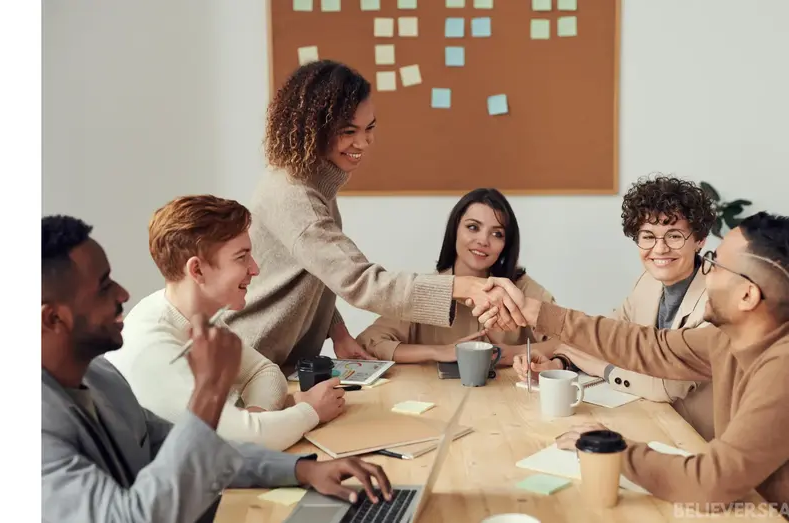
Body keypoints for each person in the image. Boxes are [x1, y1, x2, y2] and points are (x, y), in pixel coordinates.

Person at [477, 212, 789, 522]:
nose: (704, 271)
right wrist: (536, 313)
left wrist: (610, 449)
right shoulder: (730, 338)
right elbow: (648, 346)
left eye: (715, 264)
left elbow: (710, 483)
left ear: (747, 294)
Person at [41, 215, 393, 523]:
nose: (122, 293)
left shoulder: (101, 377)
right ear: (52, 317)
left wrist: (303, 470)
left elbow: (192, 448)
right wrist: (209, 391)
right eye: (103, 286)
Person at [225, 60, 524, 373]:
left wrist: (338, 332)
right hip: (248, 363)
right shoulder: (296, 196)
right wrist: (460, 287)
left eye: (369, 128)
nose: (363, 143)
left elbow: (319, 271)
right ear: (313, 129)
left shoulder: (313, 184)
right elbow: (360, 281)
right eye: (348, 131)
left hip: (274, 363)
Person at [104, 196, 344, 451]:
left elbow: (264, 373)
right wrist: (310, 411)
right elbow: (242, 444)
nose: (255, 269)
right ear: (196, 271)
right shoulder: (152, 349)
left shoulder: (196, 314)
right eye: (241, 257)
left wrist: (256, 418)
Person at [514, 176, 717, 440]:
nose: (660, 248)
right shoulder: (647, 283)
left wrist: (604, 369)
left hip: (698, 439)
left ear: (699, 240)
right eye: (648, 237)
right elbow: (606, 338)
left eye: (674, 236)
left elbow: (666, 387)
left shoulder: (717, 298)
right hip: (652, 422)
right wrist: (560, 362)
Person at [356, 188, 559, 364]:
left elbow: (570, 340)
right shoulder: (427, 289)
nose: (483, 240)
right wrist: (440, 352)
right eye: (473, 227)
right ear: (455, 230)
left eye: (497, 234)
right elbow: (369, 342)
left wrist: (514, 352)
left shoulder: (521, 289)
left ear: (506, 245)